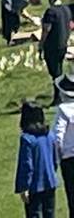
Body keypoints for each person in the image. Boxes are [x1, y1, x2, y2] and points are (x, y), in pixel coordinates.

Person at [17, 99, 59, 218]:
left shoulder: (27, 139)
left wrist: (24, 187)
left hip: (35, 186)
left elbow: (27, 165)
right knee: (50, 213)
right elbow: (55, 159)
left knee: (34, 214)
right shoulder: (49, 135)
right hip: (50, 181)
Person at [44, 0, 74, 104]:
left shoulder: (50, 12)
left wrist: (41, 44)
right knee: (59, 69)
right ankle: (60, 94)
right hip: (63, 44)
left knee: (55, 73)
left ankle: (58, 96)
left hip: (52, 45)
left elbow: (46, 30)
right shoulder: (66, 10)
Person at [51, 74, 74, 215]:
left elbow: (58, 136)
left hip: (69, 158)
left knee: (72, 194)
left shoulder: (63, 110)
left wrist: (57, 156)